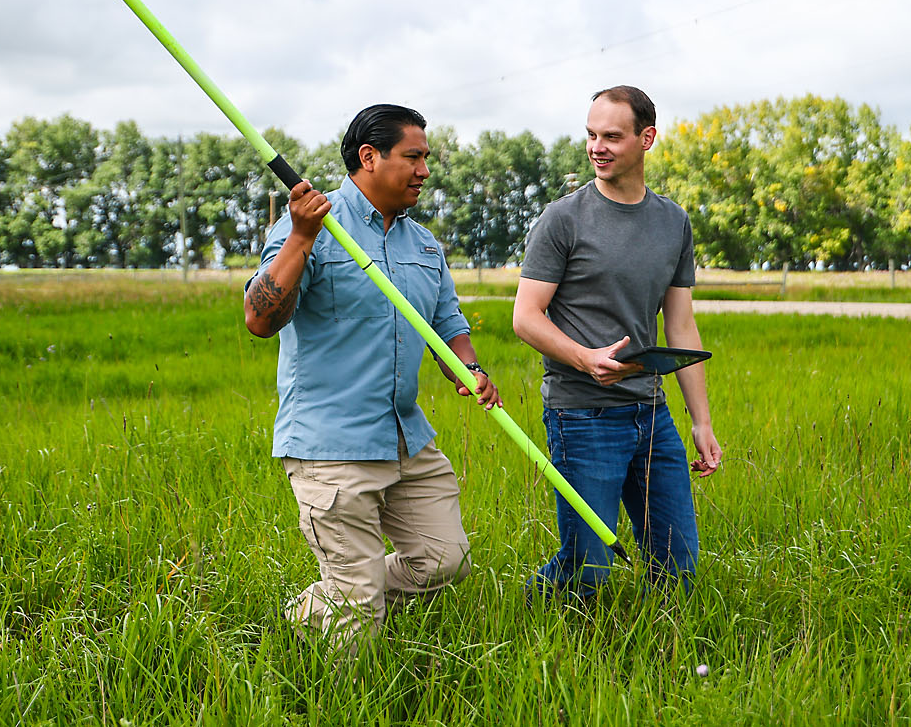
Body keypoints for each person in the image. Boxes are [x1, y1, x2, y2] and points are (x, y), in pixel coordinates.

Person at [245, 103, 502, 641]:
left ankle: (316, 607)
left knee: (445, 560)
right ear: (369, 157)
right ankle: (343, 635)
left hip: (407, 439)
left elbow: (447, 325)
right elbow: (259, 319)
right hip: (332, 445)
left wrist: (469, 368)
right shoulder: (311, 224)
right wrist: (301, 237)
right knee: (359, 611)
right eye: (413, 157)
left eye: (425, 158)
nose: (424, 171)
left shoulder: (424, 244)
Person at [513, 85, 721, 597]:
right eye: (590, 135)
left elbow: (680, 325)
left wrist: (701, 421)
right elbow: (526, 317)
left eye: (611, 136)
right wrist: (586, 359)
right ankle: (530, 608)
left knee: (678, 570)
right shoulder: (563, 219)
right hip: (581, 415)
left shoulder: (673, 222)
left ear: (646, 138)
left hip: (650, 412)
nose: (596, 147)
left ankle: (666, 640)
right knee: (587, 572)